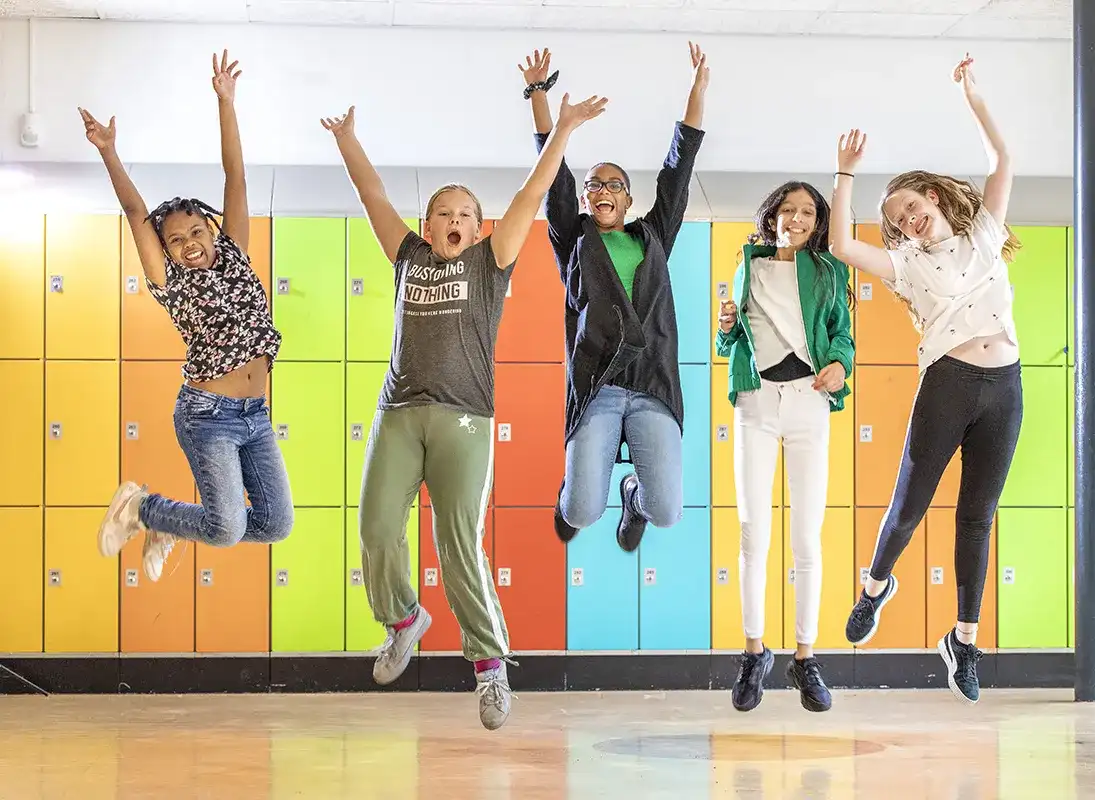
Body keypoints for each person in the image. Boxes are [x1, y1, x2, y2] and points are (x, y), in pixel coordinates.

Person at [320, 88, 608, 731]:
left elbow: (533, 194)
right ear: (427, 227)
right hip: (399, 411)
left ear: (477, 227)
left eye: (464, 214)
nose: (453, 221)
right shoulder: (408, 258)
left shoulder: (490, 261)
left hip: (464, 420)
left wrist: (561, 129)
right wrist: (347, 143)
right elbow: (373, 198)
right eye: (442, 213)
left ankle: (489, 668)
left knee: (458, 548)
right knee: (374, 529)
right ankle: (402, 621)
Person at [829, 54, 1022, 705]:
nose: (906, 221)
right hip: (948, 382)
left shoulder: (985, 236)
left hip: (1006, 386)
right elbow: (839, 246)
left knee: (979, 516)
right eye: (896, 220)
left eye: (910, 208)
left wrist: (974, 95)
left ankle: (962, 641)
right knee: (908, 507)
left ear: (932, 198)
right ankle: (875, 588)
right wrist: (846, 176)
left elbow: (1002, 159)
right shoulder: (903, 265)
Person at [84, 50, 293, 583]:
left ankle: (171, 524)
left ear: (212, 230)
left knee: (274, 524)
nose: (189, 243)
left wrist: (226, 102)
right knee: (225, 528)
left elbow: (235, 175)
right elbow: (136, 213)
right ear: (168, 252)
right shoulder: (171, 283)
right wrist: (110, 152)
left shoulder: (237, 251)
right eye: (175, 240)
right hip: (209, 414)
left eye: (196, 231)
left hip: (255, 414)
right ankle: (146, 510)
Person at [519, 44, 708, 552]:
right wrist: (540, 96)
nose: (603, 189)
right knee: (580, 509)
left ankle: (633, 496)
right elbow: (551, 174)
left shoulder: (653, 238)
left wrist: (697, 93)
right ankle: (575, 496)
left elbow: (677, 170)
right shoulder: (574, 237)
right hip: (597, 386)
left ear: (628, 199)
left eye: (615, 184)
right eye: (594, 184)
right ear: (585, 199)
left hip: (652, 383)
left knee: (666, 512)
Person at [716, 181, 855, 713]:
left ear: (816, 222)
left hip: (807, 403)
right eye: (787, 210)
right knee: (753, 532)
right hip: (755, 401)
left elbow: (842, 336)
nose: (795, 219)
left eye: (806, 212)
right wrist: (725, 326)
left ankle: (805, 658)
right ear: (771, 215)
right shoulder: (747, 264)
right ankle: (754, 653)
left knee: (806, 537)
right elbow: (728, 340)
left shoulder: (828, 271)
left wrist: (840, 365)